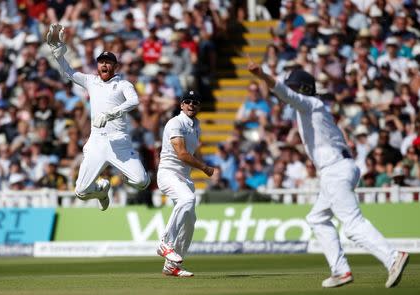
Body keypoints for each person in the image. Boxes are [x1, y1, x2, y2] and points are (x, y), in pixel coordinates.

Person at [247, 55, 409, 288]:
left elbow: (286, 93)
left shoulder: (310, 103)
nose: (289, 93)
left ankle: (393, 257)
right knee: (317, 218)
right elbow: (287, 95)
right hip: (338, 169)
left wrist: (262, 75)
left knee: (352, 224)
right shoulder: (311, 109)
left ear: (303, 89)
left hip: (335, 170)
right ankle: (340, 270)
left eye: (294, 88)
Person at [46, 24, 150, 211]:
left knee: (142, 181)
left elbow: (134, 101)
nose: (104, 64)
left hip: (119, 142)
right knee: (81, 192)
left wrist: (111, 114)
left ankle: (124, 176)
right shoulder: (91, 81)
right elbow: (68, 72)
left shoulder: (123, 84)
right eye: (101, 61)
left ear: (115, 66)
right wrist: (59, 55)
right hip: (96, 142)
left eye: (108, 62)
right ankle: (101, 190)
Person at [157, 90, 216, 277]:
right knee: (187, 199)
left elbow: (193, 151)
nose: (191, 104)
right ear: (181, 105)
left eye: (195, 102)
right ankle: (165, 243)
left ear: (199, 107)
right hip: (168, 174)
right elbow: (182, 154)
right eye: (188, 101)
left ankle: (171, 267)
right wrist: (205, 168)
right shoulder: (175, 123)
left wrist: (203, 162)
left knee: (190, 221)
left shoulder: (196, 124)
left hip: (184, 177)